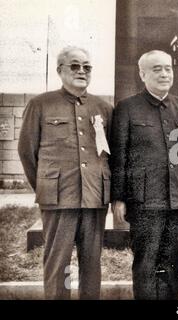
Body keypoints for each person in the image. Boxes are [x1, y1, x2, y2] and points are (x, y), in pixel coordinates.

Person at [18, 46, 113, 300]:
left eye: (87, 66)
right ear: (60, 70)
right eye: (74, 65)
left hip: (94, 197)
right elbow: (27, 152)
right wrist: (46, 185)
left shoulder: (102, 107)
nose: (81, 70)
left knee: (92, 264)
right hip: (59, 198)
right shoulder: (40, 104)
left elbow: (109, 153)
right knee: (59, 265)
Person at [110, 50, 178, 300]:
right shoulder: (127, 107)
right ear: (142, 74)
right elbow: (119, 156)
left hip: (176, 199)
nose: (164, 73)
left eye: (168, 68)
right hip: (144, 200)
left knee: (172, 262)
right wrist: (119, 197)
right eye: (157, 69)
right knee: (146, 262)